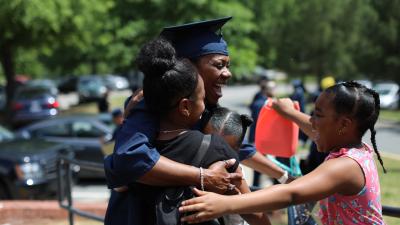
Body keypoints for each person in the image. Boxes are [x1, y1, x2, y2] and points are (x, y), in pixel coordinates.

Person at [103, 17, 286, 225]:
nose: (228, 73)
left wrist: (282, 175)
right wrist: (204, 177)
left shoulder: (205, 106)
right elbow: (130, 158)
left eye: (228, 65)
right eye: (219, 65)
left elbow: (230, 148)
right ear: (188, 66)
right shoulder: (147, 104)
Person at [179, 81, 386, 225]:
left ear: (343, 125)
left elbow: (290, 193)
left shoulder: (346, 166)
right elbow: (314, 128)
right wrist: (288, 112)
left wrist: (225, 204)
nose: (312, 121)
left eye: (318, 115)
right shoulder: (353, 145)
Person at [248, 77, 276, 187]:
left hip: (258, 138)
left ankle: (256, 186)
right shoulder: (264, 104)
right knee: (263, 165)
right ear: (266, 89)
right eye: (273, 88)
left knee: (260, 165)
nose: (275, 90)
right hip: (262, 139)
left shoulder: (259, 101)